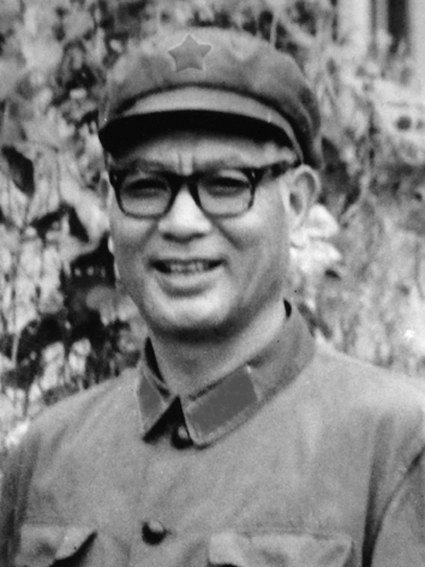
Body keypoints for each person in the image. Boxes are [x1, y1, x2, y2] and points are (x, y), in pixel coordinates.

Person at [1, 25, 425, 567]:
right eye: (146, 186)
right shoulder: (47, 455)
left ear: (296, 205)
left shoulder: (393, 448)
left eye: (226, 184)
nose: (181, 222)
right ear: (110, 206)